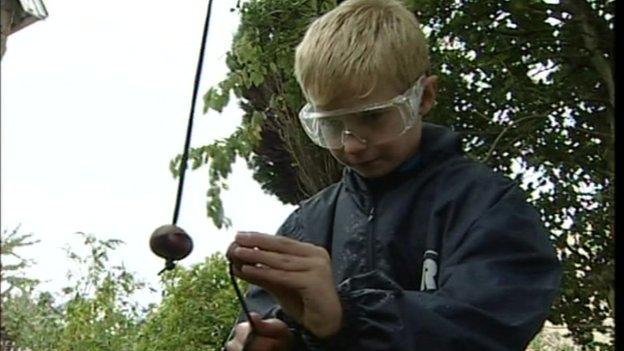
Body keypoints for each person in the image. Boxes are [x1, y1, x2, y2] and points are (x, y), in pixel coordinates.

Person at [225, 0, 561, 350]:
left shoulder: (486, 205)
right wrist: (276, 342)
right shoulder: (306, 226)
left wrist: (348, 318)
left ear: (424, 97)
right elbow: (262, 318)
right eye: (332, 124)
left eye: (372, 117)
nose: (351, 145)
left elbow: (487, 328)